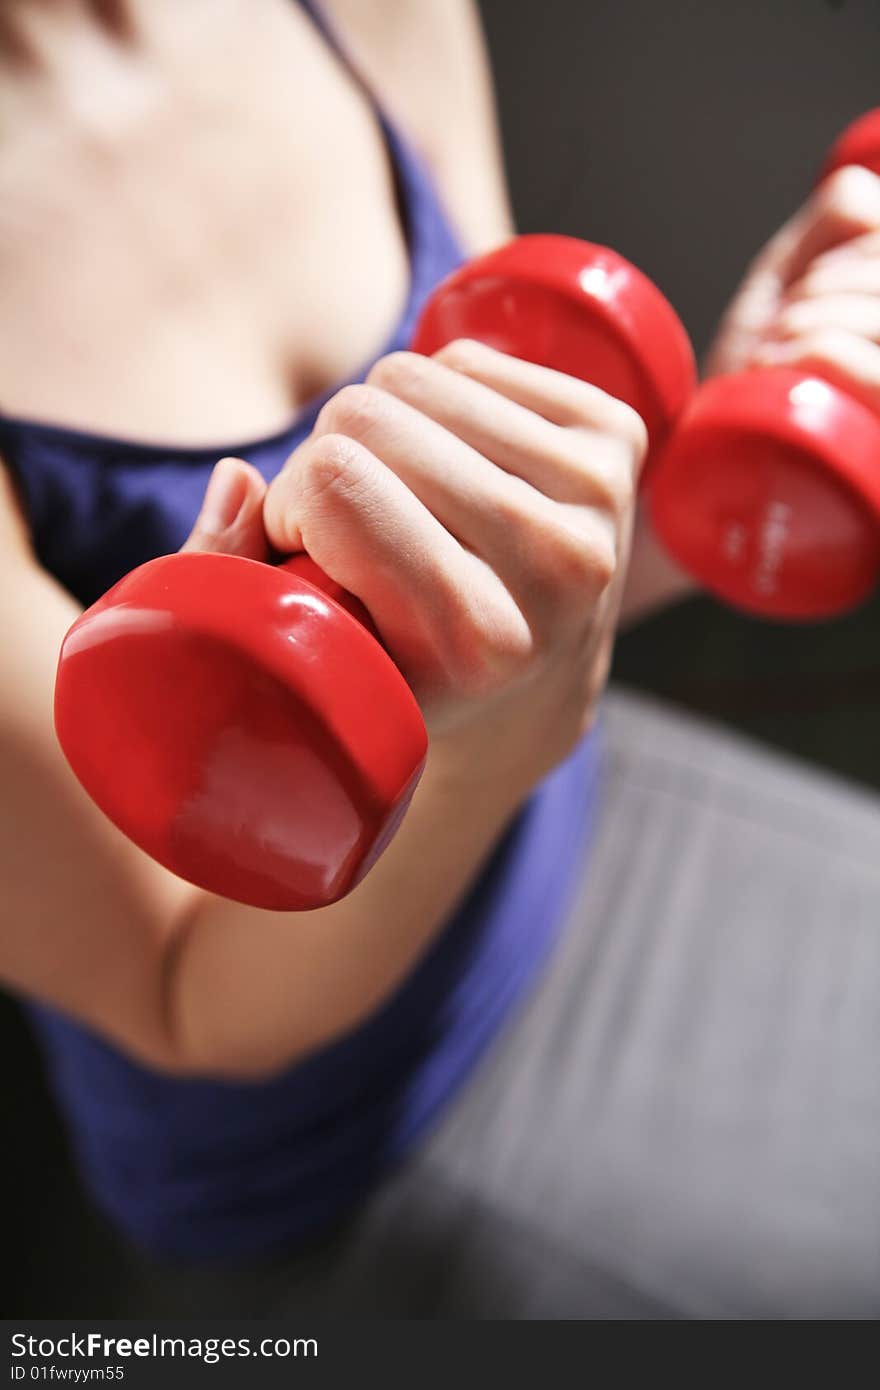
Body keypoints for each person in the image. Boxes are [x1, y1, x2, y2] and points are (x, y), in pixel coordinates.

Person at [1, 0, 879, 1318]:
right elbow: (187, 999)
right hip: (350, 1135)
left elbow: (496, 584)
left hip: (575, 816)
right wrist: (489, 752)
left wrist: (705, 460)